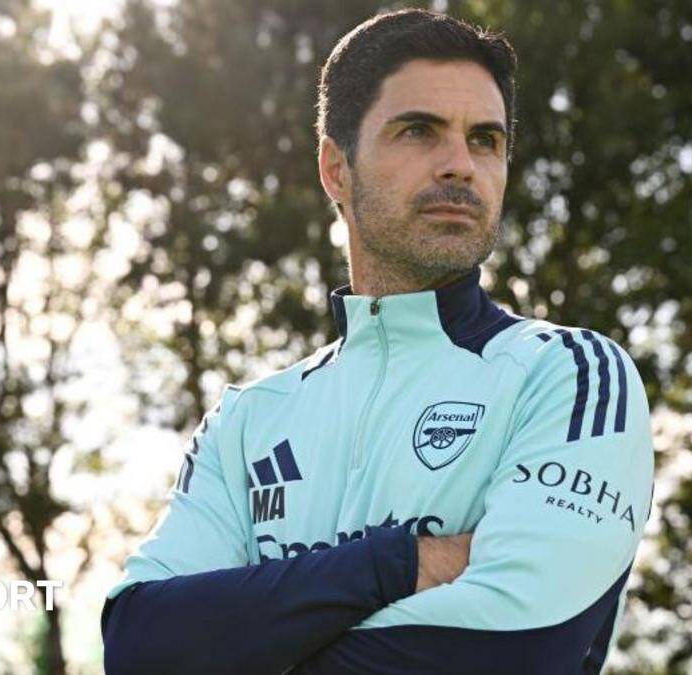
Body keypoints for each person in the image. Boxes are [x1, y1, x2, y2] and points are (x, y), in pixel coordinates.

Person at [101, 8, 654, 674]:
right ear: (336, 169)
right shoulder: (247, 421)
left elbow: (516, 647)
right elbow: (139, 642)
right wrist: (401, 561)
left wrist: (247, 639)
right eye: (419, 131)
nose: (460, 165)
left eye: (485, 140)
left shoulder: (567, 375)